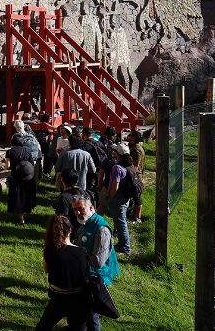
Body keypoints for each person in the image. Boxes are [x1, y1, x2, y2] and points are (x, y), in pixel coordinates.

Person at [73, 196, 121, 331]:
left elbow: (98, 261)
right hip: (84, 273)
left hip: (95, 277)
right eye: (75, 209)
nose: (77, 213)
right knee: (82, 306)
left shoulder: (102, 230)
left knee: (92, 310)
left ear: (91, 208)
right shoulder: (86, 222)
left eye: (81, 209)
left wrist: (76, 257)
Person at [35, 215, 91, 331]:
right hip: (79, 298)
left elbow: (46, 269)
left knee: (43, 327)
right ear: (70, 230)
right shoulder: (82, 252)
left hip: (58, 297)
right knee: (78, 328)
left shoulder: (49, 251)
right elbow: (84, 275)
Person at [104, 142, 137, 254]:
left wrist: (110, 198)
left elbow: (115, 186)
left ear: (117, 153)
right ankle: (122, 244)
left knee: (121, 222)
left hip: (118, 198)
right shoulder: (129, 166)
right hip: (126, 198)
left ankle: (126, 247)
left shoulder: (117, 168)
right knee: (121, 221)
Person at [6, 133, 36, 225]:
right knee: (27, 196)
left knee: (17, 198)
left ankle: (20, 219)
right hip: (28, 176)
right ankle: (26, 214)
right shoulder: (28, 150)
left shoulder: (9, 152)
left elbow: (7, 166)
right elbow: (32, 164)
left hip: (16, 177)